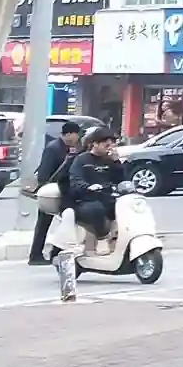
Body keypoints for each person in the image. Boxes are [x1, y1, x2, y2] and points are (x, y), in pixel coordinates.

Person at [55, 129, 124, 301]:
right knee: (96, 209)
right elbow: (75, 179)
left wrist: (118, 163)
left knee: (123, 207)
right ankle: (101, 238)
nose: (109, 147)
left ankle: (117, 241)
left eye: (111, 144)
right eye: (105, 144)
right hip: (84, 200)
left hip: (106, 196)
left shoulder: (110, 160)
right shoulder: (82, 160)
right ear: (94, 143)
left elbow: (122, 178)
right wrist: (87, 187)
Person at [25, 118, 87, 265]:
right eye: (76, 135)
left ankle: (53, 253)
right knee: (43, 224)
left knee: (62, 223)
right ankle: (35, 255)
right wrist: (45, 188)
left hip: (60, 191)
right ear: (69, 134)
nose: (77, 138)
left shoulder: (67, 147)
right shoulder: (53, 148)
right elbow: (44, 172)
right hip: (50, 192)